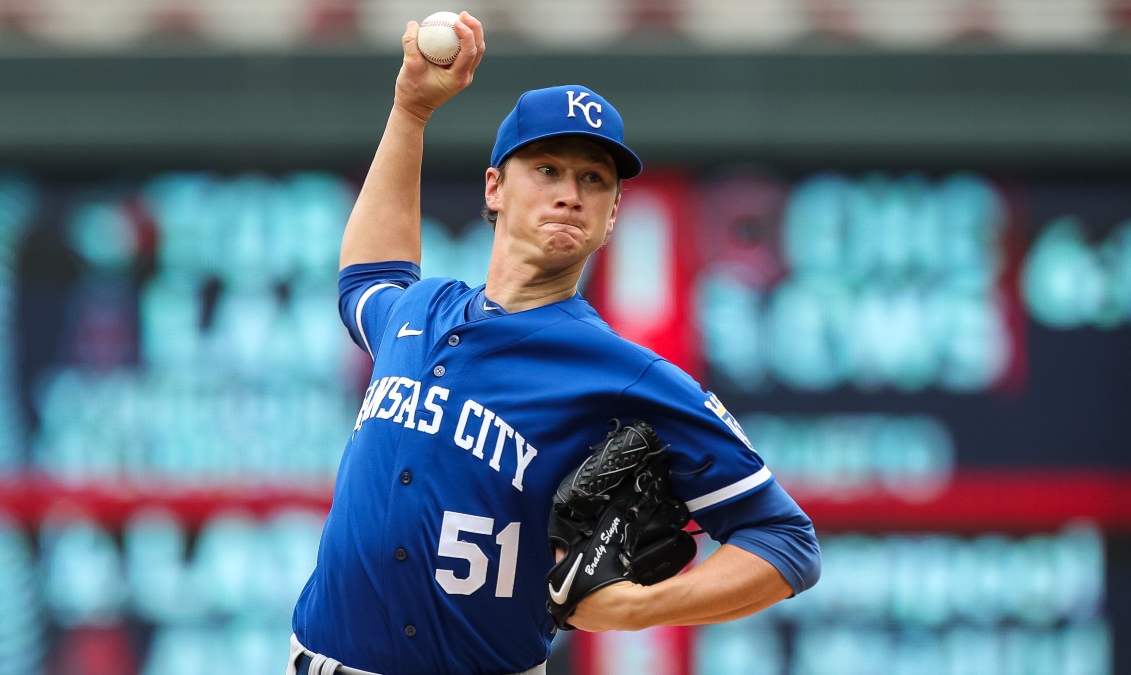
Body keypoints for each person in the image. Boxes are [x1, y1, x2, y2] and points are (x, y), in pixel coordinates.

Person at [288, 12, 820, 675]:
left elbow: (786, 540)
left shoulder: (623, 376)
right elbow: (368, 275)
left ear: (613, 214)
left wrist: (636, 608)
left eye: (594, 179)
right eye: (546, 168)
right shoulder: (419, 313)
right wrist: (411, 111)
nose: (570, 194)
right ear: (495, 188)